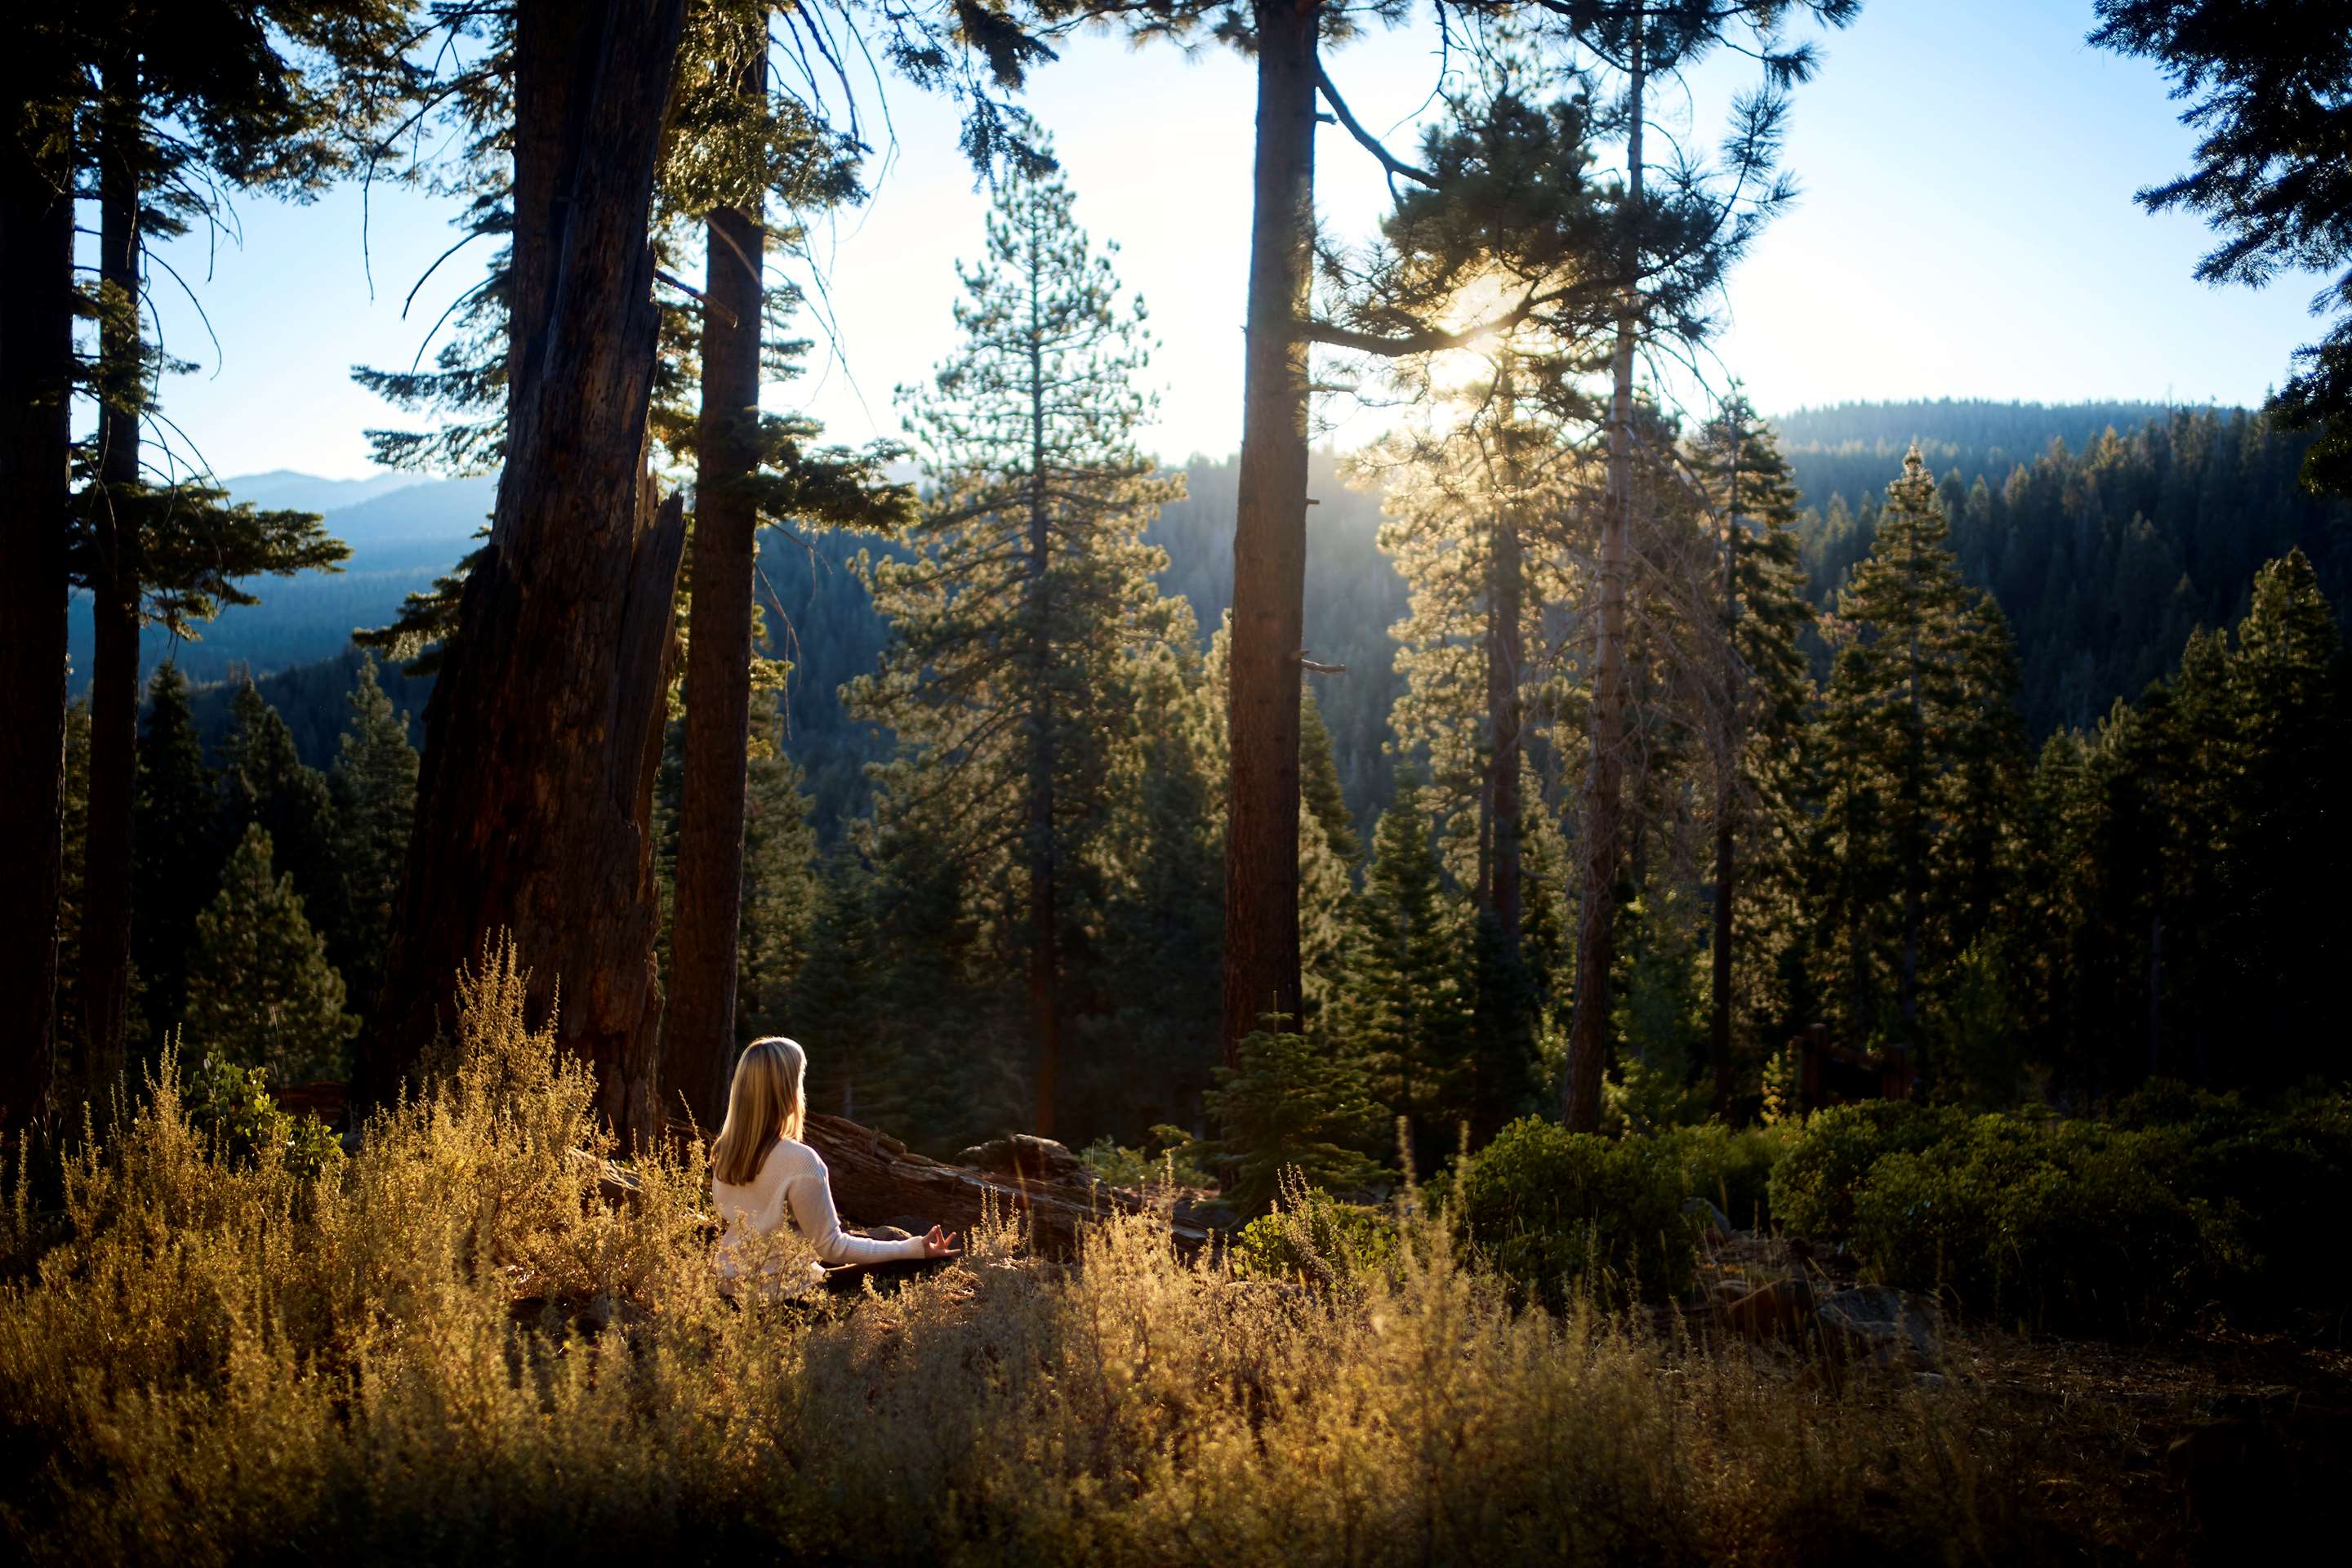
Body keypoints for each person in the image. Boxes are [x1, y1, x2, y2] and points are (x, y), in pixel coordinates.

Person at [710, 1036, 958, 1293]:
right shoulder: (800, 1161)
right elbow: (832, 1247)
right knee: (917, 1256)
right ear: (787, 1091)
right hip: (787, 1299)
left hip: (730, 1292)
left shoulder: (725, 1153)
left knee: (887, 1235)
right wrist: (913, 1249)